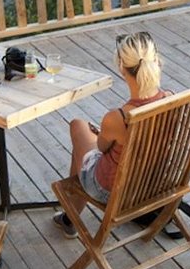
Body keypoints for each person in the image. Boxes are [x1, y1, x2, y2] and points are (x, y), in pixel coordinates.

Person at [52, 30, 169, 238]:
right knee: (84, 145)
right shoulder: (171, 100)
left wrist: (103, 133)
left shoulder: (119, 117)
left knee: (78, 126)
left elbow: (100, 149)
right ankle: (69, 218)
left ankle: (71, 217)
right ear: (155, 61)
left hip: (114, 191)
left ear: (122, 67)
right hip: (155, 184)